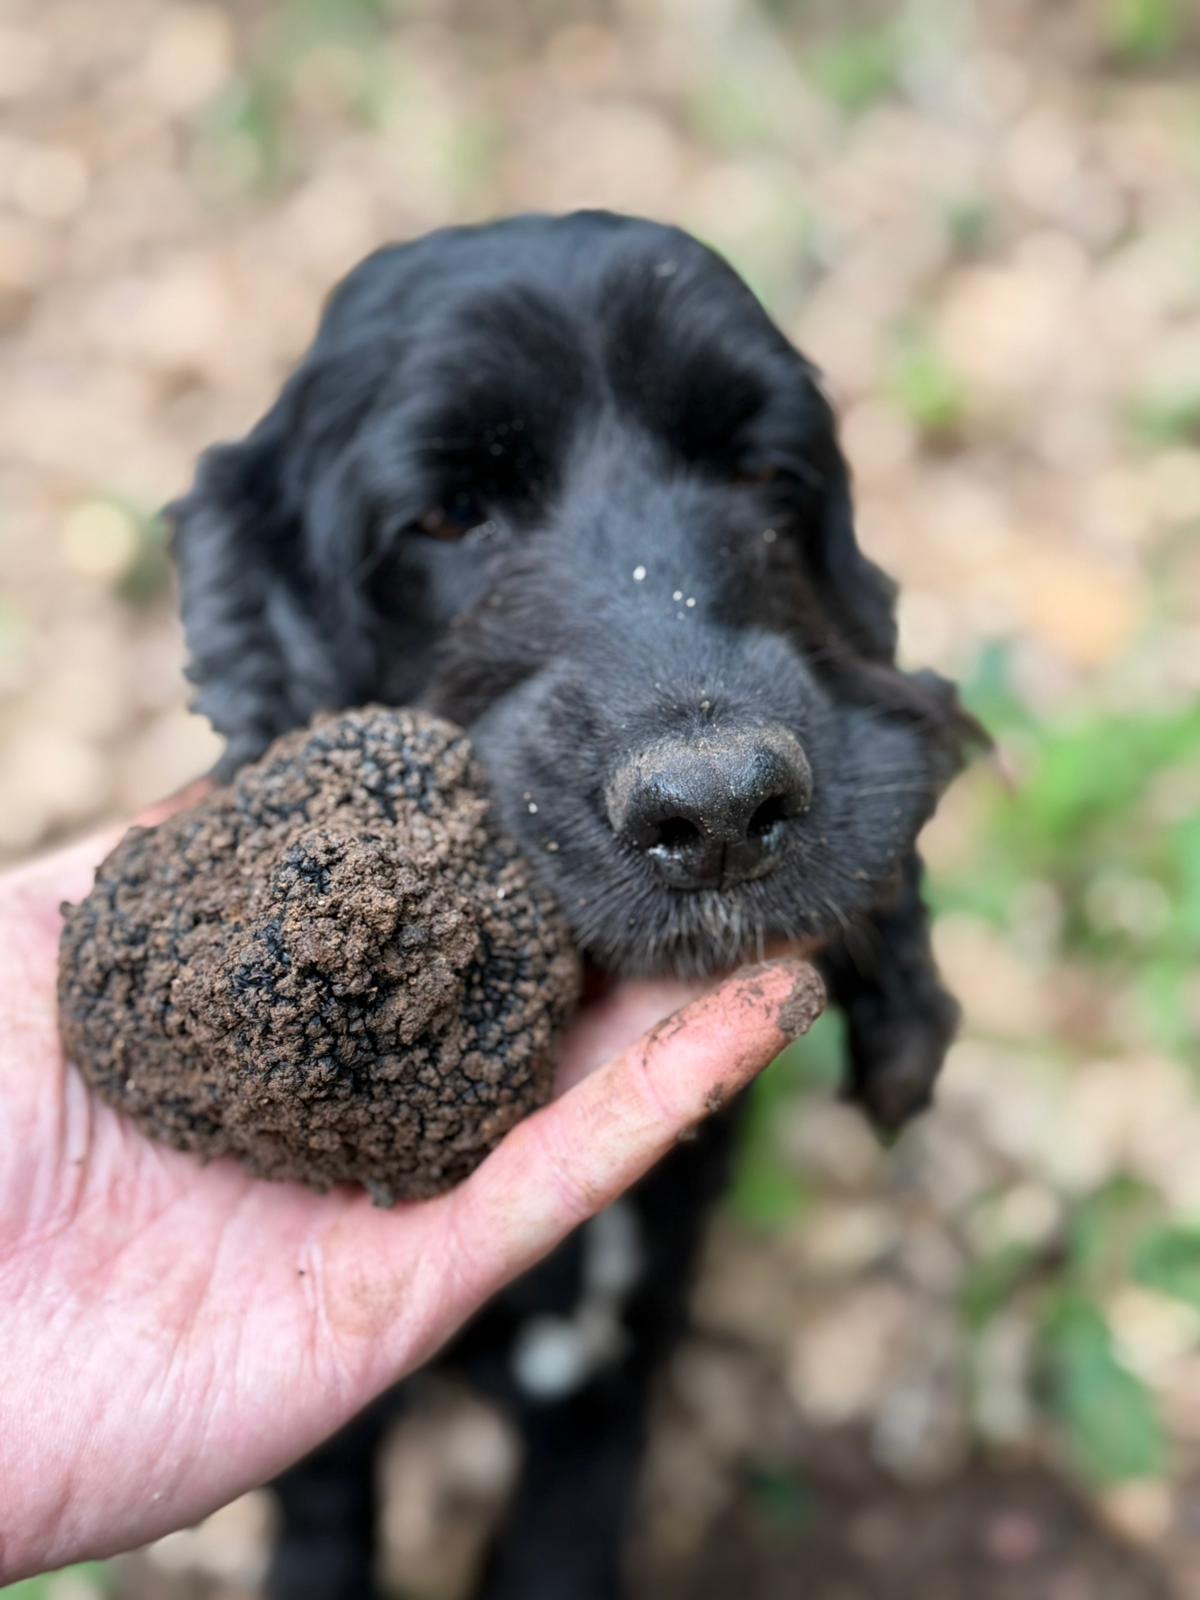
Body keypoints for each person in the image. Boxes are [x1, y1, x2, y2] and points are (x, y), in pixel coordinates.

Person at [0, 812, 810, 1584]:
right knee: (326, 1509)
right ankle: (324, 1543)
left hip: (504, 1133)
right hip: (353, 1170)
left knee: (585, 1463)